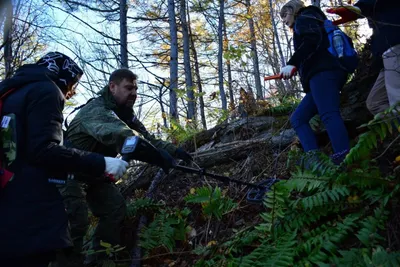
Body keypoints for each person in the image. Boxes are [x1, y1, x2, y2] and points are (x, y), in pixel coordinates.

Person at [0, 52, 129, 267]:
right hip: (29, 208)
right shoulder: (47, 90)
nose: (73, 91)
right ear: (63, 76)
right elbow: (43, 150)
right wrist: (103, 162)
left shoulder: (12, 90)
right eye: (73, 83)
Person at [61, 68, 193, 266]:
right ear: (112, 87)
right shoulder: (97, 110)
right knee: (75, 223)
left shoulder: (125, 113)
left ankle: (99, 260)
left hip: (96, 173)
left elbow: (147, 138)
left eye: (135, 88)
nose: (134, 93)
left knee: (115, 209)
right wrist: (158, 157)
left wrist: (175, 152)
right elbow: (125, 136)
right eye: (128, 88)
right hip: (69, 172)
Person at [279, 0, 351, 165]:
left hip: (324, 73)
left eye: (285, 14)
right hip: (320, 76)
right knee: (298, 119)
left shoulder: (304, 18)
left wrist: (293, 63)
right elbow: (313, 45)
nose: (283, 20)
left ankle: (344, 161)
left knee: (328, 114)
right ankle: (316, 163)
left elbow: (311, 41)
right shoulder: (310, 20)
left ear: (293, 10)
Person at [327, 1, 400, 116]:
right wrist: (356, 11)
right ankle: (394, 128)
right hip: (386, 53)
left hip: (394, 45)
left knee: (397, 101)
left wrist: (358, 8)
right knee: (375, 103)